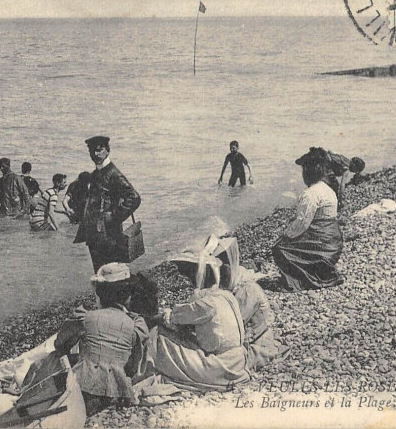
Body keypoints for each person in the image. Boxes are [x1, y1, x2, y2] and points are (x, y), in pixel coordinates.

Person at [52, 263, 148, 415]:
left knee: (56, 358)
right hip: (118, 392)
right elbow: (133, 365)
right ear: (128, 296)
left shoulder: (84, 318)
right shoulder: (136, 325)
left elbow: (59, 344)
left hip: (83, 389)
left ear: (100, 293)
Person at [153, 252, 250, 390]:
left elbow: (174, 317)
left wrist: (163, 314)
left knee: (161, 337)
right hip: (239, 360)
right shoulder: (227, 296)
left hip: (221, 366)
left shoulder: (206, 303)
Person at [272, 150, 344, 291]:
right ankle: (317, 273)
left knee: (279, 248)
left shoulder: (310, 194)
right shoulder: (328, 190)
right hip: (334, 243)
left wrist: (285, 235)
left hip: (323, 245)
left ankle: (299, 281)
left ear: (309, 172)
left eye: (304, 170)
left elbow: (302, 224)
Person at [73, 136, 141, 272]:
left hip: (108, 235)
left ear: (107, 151)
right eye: (92, 151)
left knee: (109, 273)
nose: (95, 154)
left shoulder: (113, 173)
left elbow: (134, 197)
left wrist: (113, 216)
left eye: (99, 150)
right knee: (102, 272)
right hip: (95, 235)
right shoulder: (96, 173)